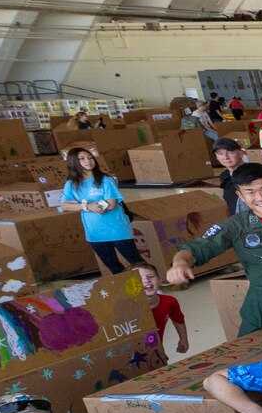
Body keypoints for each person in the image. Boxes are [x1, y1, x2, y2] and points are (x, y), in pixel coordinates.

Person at [56, 146, 142, 274]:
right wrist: (87, 206)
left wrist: (96, 206)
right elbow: (64, 205)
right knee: (113, 266)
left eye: (90, 157)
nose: (88, 161)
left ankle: (153, 286)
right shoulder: (71, 184)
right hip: (95, 233)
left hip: (117, 229)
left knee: (136, 262)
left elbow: (112, 204)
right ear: (73, 162)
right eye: (82, 158)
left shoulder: (105, 180)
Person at [138, 263, 189, 356]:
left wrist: (183, 338)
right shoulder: (127, 310)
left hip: (156, 354)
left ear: (160, 280)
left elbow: (178, 320)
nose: (146, 281)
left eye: (151, 276)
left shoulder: (169, 302)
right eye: (139, 279)